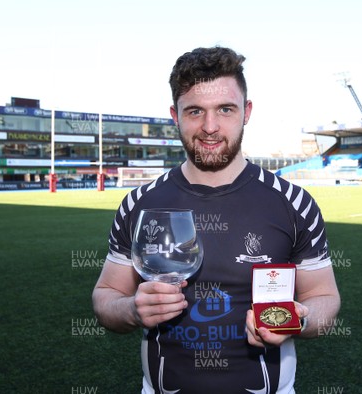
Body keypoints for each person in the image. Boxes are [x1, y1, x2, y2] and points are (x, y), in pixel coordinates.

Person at [92, 46, 340, 393]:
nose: (210, 127)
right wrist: (132, 309)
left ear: (246, 112)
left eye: (225, 109)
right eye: (195, 111)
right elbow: (106, 295)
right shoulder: (140, 203)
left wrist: (299, 318)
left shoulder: (293, 203)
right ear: (174, 115)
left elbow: (324, 296)